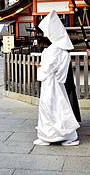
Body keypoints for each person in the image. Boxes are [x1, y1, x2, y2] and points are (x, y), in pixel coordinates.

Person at [34, 11, 80, 146]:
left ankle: (59, 136)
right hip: (54, 83)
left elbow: (50, 67)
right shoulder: (60, 47)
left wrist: (39, 68)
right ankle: (50, 136)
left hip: (51, 82)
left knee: (51, 108)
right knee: (56, 107)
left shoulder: (55, 48)